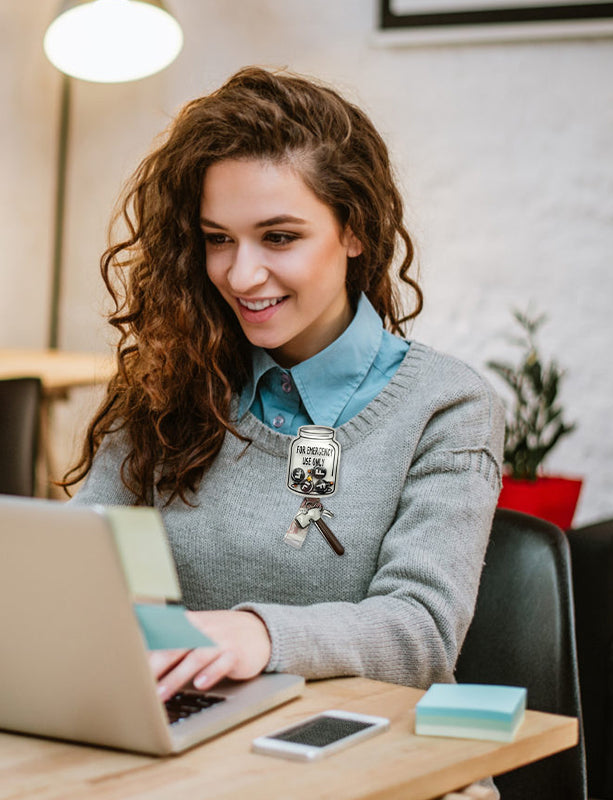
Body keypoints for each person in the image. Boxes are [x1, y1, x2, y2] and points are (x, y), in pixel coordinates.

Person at [66, 66, 504, 706]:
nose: (243, 275)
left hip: (370, 755)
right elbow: (81, 560)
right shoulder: (172, 381)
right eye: (219, 240)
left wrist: (256, 634)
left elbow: (420, 632)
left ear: (355, 230)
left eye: (279, 237)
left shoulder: (447, 408)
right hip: (197, 740)